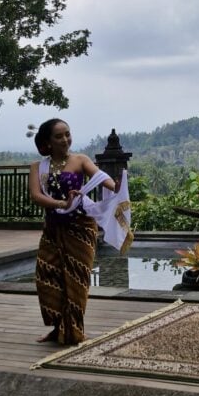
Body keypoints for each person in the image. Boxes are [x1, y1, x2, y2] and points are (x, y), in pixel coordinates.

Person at [28, 118, 120, 345]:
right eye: (59, 136)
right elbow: (36, 195)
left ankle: (75, 330)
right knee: (48, 277)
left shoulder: (81, 160)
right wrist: (60, 204)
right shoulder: (38, 168)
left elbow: (103, 179)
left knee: (76, 279)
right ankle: (58, 328)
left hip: (81, 227)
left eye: (67, 134)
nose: (65, 139)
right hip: (53, 229)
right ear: (48, 142)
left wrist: (117, 186)